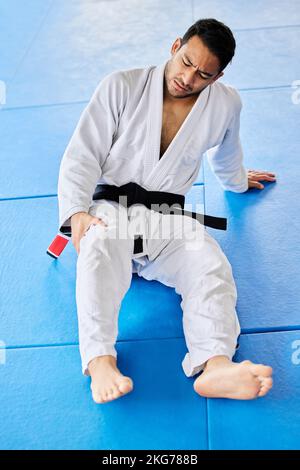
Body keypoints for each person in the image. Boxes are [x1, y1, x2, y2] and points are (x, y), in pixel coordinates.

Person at [58, 18, 276, 404]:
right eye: (186, 62)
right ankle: (100, 361)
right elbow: (83, 154)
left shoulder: (226, 104)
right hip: (110, 207)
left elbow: (227, 158)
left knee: (209, 261)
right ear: (176, 45)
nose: (188, 78)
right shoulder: (121, 85)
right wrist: (76, 212)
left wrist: (240, 180)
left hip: (166, 217)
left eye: (203, 74)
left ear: (218, 75)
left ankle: (215, 364)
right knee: (98, 245)